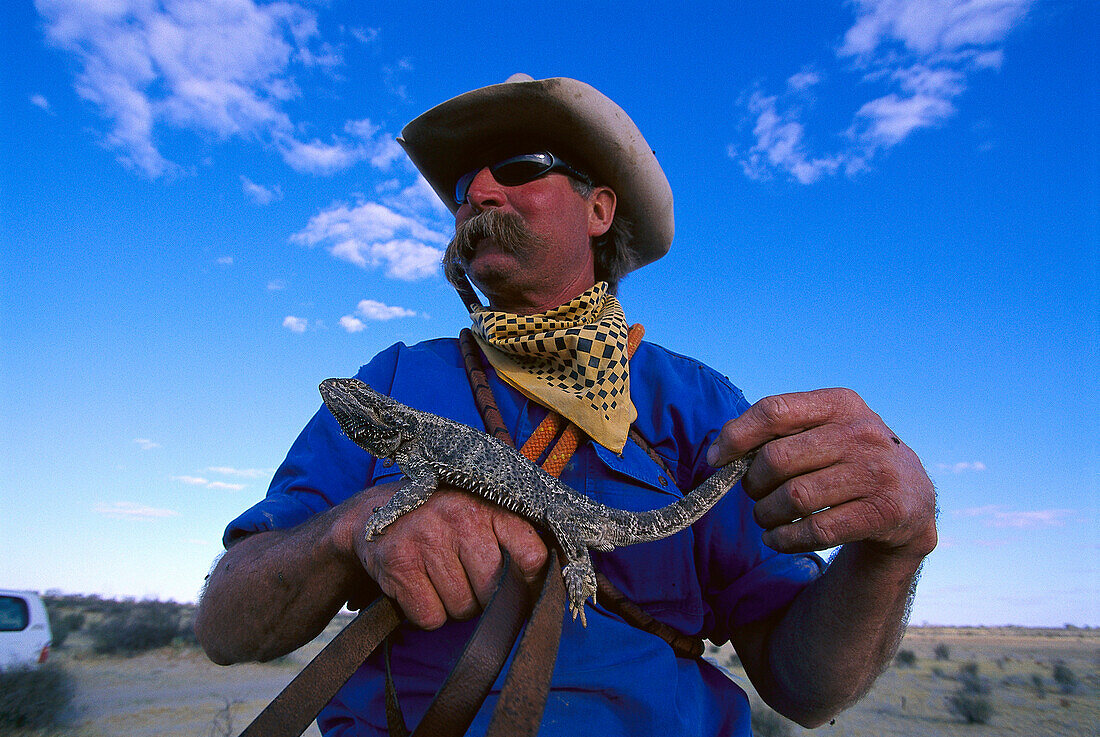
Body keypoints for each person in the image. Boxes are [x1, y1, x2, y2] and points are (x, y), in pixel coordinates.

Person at [195, 74, 937, 736]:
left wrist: (889, 553)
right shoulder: (394, 380)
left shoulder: (698, 407)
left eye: (519, 168)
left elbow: (806, 690)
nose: (479, 192)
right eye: (462, 187)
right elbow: (226, 625)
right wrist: (352, 528)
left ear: (600, 209)